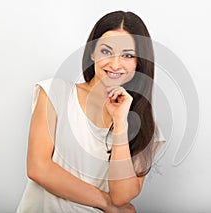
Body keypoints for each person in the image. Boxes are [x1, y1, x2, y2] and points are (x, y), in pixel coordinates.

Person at [17, 10, 166, 213]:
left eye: (128, 55)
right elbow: (38, 168)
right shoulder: (55, 93)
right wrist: (105, 203)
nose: (115, 63)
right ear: (92, 53)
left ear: (138, 63)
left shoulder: (145, 125)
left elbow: (121, 197)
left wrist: (121, 123)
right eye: (106, 51)